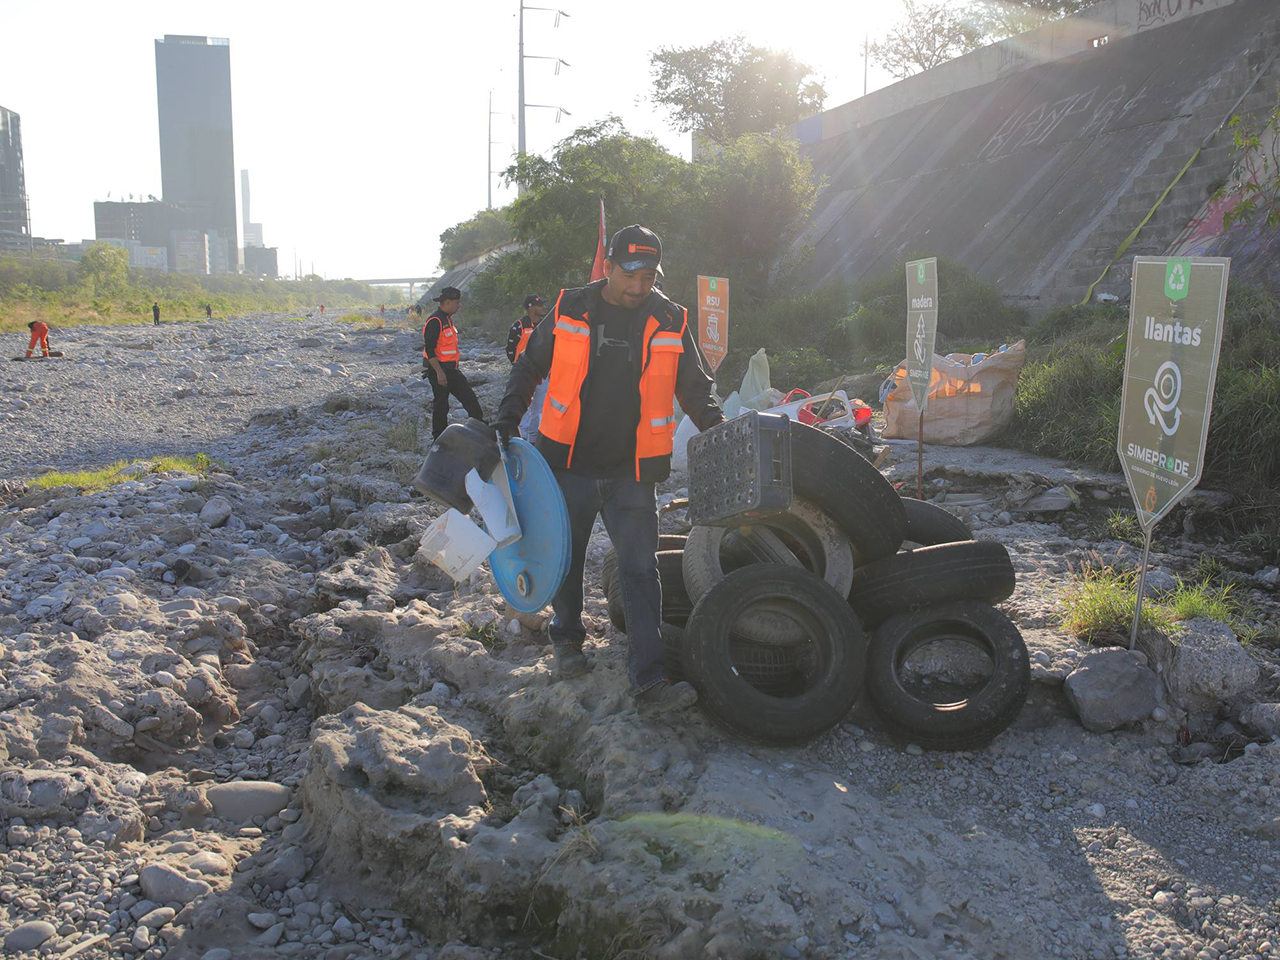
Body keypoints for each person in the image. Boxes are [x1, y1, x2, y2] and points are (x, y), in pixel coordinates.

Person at [495, 225, 724, 713]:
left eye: (649, 277)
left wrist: (717, 426)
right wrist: (507, 418)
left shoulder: (669, 318)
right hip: (567, 463)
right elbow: (529, 366)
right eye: (630, 275)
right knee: (566, 558)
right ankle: (567, 642)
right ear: (608, 266)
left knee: (640, 569)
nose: (639, 286)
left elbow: (695, 387)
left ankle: (650, 679)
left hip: (633, 471)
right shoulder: (571, 308)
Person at [422, 286, 486, 439]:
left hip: (452, 370)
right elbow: (429, 350)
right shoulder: (435, 321)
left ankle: (481, 433)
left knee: (470, 400)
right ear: (447, 302)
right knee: (441, 406)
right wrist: (439, 373)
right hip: (440, 371)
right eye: (457, 302)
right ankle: (438, 440)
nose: (459, 305)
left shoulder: (447, 319)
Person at [505, 294, 549, 440]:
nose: (543, 308)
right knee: (524, 407)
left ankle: (533, 438)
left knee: (539, 407)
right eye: (539, 305)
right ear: (530, 308)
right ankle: (522, 437)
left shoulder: (545, 325)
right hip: (525, 373)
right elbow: (510, 349)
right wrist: (517, 369)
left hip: (542, 373)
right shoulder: (519, 325)